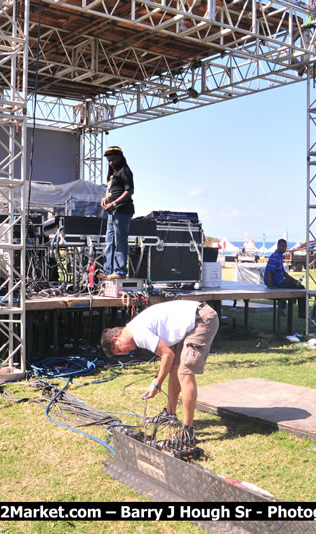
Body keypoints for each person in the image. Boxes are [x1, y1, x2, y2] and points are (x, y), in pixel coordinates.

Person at [101, 300, 219, 446]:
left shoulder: (138, 333)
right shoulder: (135, 329)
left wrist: (157, 384)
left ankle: (187, 432)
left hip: (202, 319)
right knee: (175, 368)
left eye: (120, 350)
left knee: (185, 373)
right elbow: (169, 357)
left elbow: (167, 355)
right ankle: (170, 415)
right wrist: (157, 379)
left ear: (116, 339)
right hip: (193, 321)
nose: (125, 352)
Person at [101, 146, 134, 279]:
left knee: (120, 241)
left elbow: (129, 190)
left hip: (122, 211)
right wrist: (104, 199)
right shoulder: (112, 174)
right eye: (108, 160)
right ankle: (108, 271)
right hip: (112, 212)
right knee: (109, 241)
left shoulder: (124, 171)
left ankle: (119, 271)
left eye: (112, 160)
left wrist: (114, 203)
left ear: (120, 157)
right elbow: (110, 191)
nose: (110, 162)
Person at [264, 239, 306, 318]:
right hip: (277, 282)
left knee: (295, 285)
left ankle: (284, 307)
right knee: (301, 288)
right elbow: (269, 272)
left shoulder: (279, 256)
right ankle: (302, 313)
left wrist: (294, 280)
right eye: (282, 246)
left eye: (285, 246)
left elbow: (283, 272)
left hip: (280, 281)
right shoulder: (275, 257)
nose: (283, 248)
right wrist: (270, 286)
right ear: (278, 246)